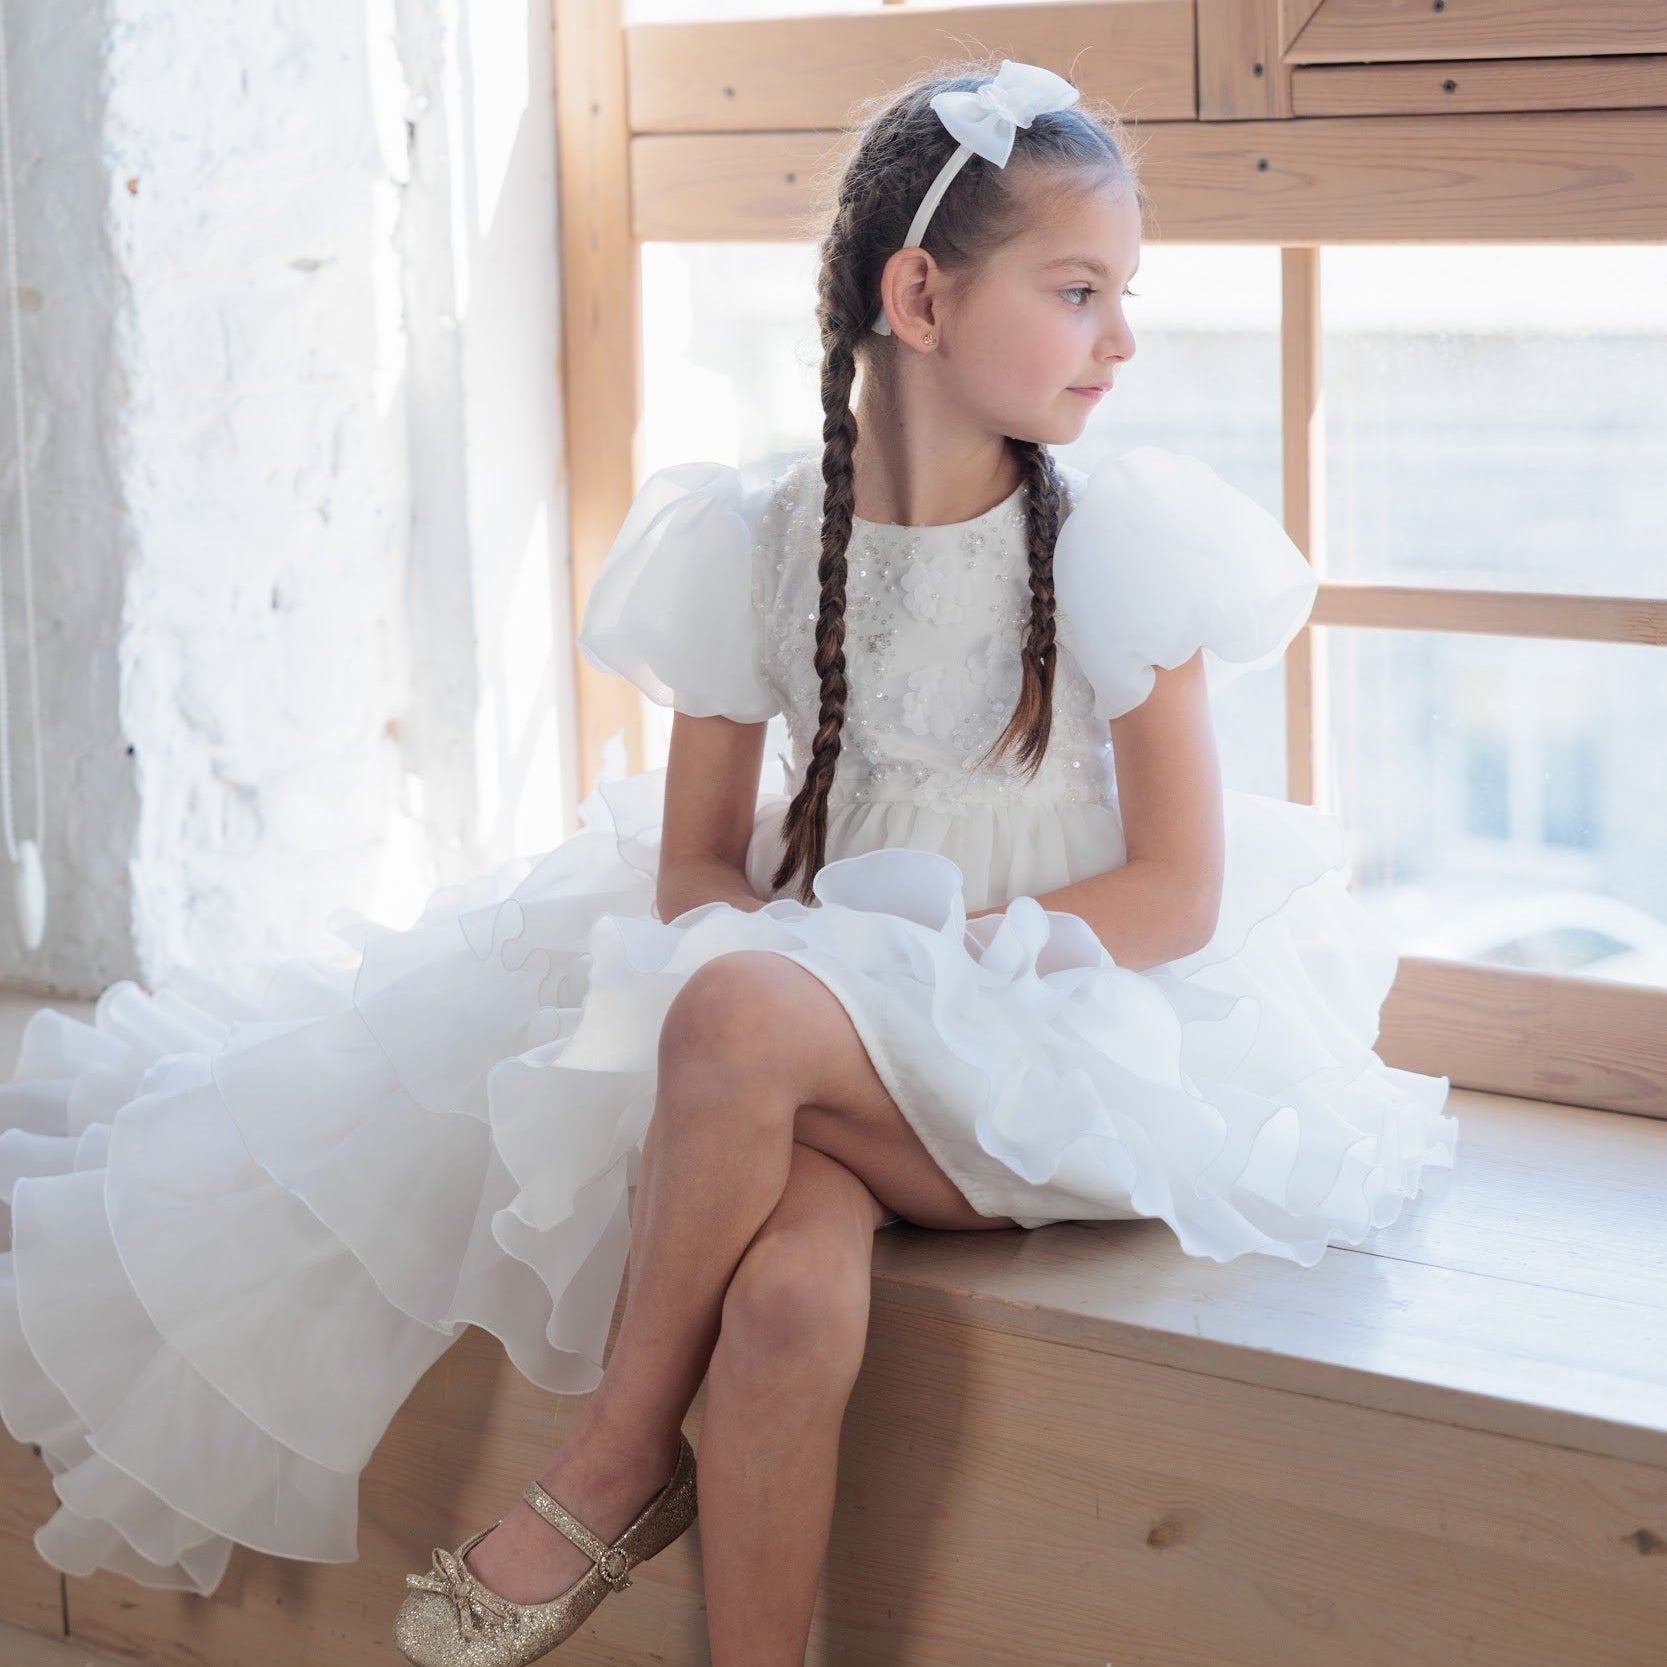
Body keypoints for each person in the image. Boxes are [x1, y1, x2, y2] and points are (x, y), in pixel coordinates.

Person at [0, 54, 1459, 1667]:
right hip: (818, 1063)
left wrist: (900, 981)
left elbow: (1176, 894)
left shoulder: (1113, 538)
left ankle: (613, 1461)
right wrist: (815, 978)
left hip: (1056, 1036)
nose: (1122, 338)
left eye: (1126, 294)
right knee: (782, 1303)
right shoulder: (759, 542)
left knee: (738, 1016)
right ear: (920, 296)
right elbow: (696, 869)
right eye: (1078, 290)